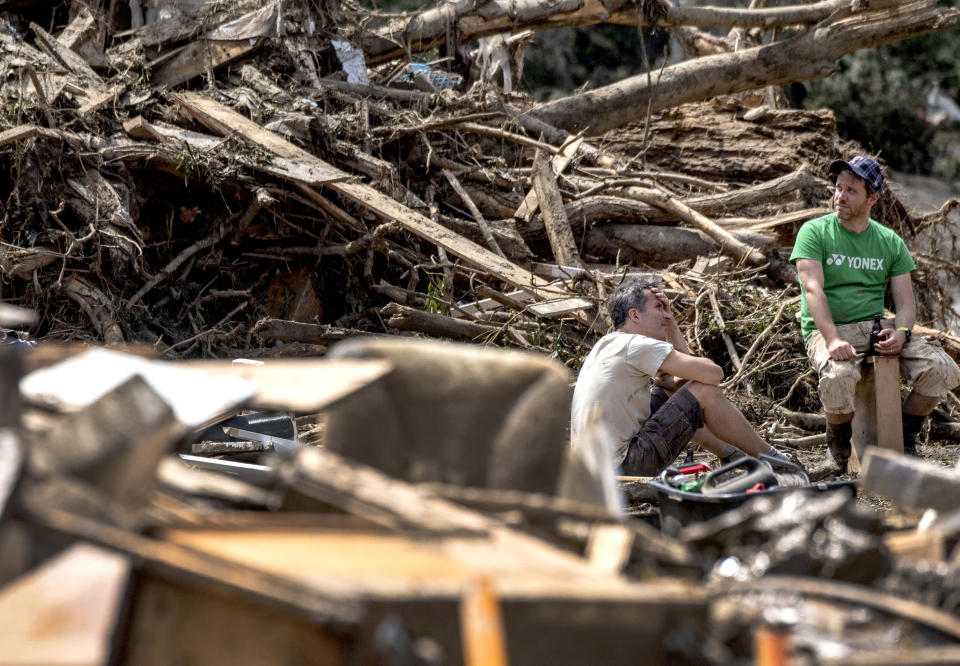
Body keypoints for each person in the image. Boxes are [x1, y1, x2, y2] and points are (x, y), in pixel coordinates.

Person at [790, 155, 960, 471]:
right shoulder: (814, 233)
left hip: (876, 326)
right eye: (838, 188)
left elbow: (906, 304)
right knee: (839, 376)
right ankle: (838, 454)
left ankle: (904, 442)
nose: (840, 196)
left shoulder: (889, 241)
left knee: (943, 369)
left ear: (873, 198)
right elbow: (813, 290)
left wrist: (901, 333)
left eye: (851, 190)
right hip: (829, 328)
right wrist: (832, 339)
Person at [570, 276, 793, 476]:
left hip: (595, 468)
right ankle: (775, 459)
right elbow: (712, 374)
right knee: (704, 391)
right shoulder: (636, 345)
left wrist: (671, 334)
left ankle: (734, 457)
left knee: (676, 392)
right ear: (635, 315)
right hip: (625, 464)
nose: (666, 315)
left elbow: (685, 381)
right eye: (659, 307)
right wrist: (673, 329)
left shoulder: (608, 344)